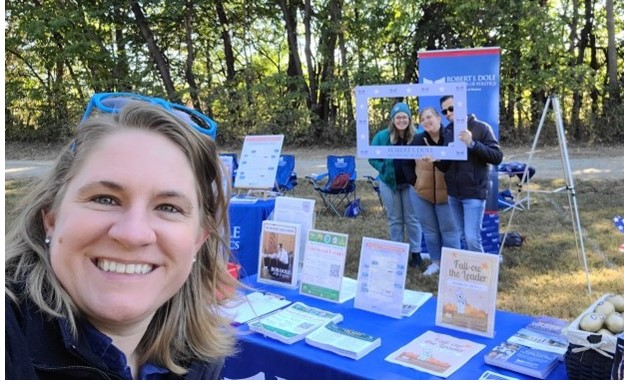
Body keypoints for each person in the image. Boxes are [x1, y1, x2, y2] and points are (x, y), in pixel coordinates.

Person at [5, 100, 240, 379]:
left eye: (168, 207)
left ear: (198, 240)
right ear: (52, 219)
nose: (133, 234)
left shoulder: (200, 358)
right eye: (104, 199)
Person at [436, 95, 504, 252]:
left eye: (451, 108)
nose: (448, 113)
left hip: (473, 194)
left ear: (462, 106)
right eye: (445, 111)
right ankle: (467, 272)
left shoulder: (482, 127)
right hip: (453, 194)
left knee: (472, 238)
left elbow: (497, 157)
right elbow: (444, 166)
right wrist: (436, 159)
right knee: (462, 236)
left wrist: (472, 143)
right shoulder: (447, 132)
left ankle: (482, 274)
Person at [369, 101, 423, 266]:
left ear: (409, 119)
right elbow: (372, 157)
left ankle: (416, 252)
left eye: (404, 117)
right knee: (395, 219)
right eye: (398, 117)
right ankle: (397, 251)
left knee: (412, 219)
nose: (401, 120)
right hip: (389, 182)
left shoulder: (418, 134)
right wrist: (383, 166)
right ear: (393, 119)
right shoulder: (382, 136)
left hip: (411, 183)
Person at [410, 107, 461, 276]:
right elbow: (405, 163)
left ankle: (454, 266)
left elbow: (456, 165)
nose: (426, 121)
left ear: (439, 118)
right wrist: (415, 182)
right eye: (422, 119)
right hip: (422, 194)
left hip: (448, 195)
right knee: (430, 231)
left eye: (429, 117)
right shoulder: (417, 139)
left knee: (450, 232)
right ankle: (436, 263)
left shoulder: (451, 137)